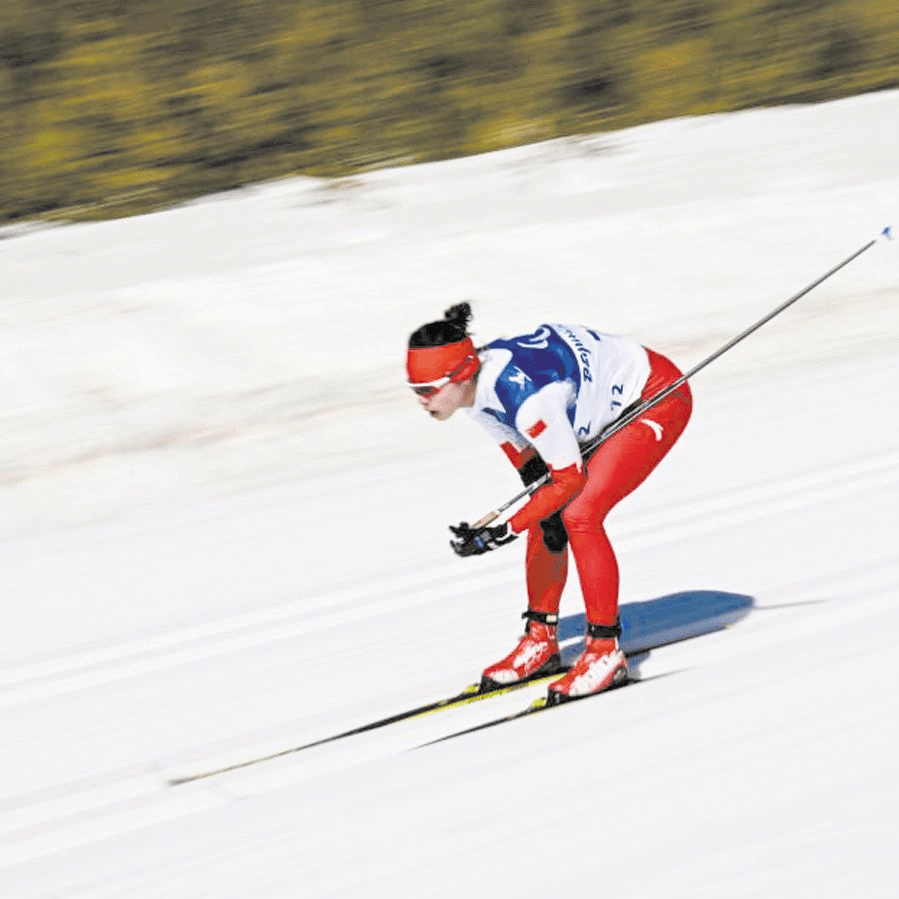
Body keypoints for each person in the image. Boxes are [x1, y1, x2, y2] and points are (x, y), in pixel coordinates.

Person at [406, 302, 693, 705]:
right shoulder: (473, 397)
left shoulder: (526, 400)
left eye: (426, 390)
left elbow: (568, 479)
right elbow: (534, 474)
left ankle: (604, 651)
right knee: (549, 514)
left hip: (655, 396)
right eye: (415, 390)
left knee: (580, 514)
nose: (421, 400)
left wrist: (502, 531)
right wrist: (518, 520)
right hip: (593, 404)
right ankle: (540, 639)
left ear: (460, 375)